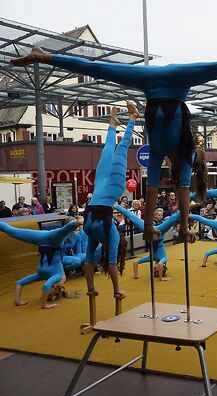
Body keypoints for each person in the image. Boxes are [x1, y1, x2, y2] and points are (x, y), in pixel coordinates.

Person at [12, 42, 217, 245]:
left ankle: (44, 56)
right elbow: (173, 195)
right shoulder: (186, 153)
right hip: (172, 84)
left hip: (156, 84)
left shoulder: (167, 156)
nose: (172, 168)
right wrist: (175, 225)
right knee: (216, 69)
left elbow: (155, 194)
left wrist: (155, 226)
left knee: (102, 69)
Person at [81, 102, 139, 301]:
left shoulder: (111, 235)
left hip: (101, 199)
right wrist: (116, 291)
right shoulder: (108, 237)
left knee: (113, 151)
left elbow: (91, 261)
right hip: (91, 217)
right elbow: (112, 264)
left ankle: (121, 122)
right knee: (114, 152)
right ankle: (128, 120)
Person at [0, 218, 80, 308]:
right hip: (53, 241)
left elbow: (19, 283)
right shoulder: (57, 276)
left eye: (47, 295)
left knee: (11, 231)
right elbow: (46, 286)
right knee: (63, 231)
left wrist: (18, 301)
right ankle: (78, 221)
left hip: (41, 239)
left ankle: (78, 222)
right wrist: (44, 305)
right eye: (51, 294)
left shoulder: (40, 275)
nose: (48, 293)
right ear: (56, 288)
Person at [115, 205, 180, 281]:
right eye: (157, 271)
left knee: (133, 217)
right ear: (163, 268)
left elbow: (135, 263)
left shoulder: (155, 258)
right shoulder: (163, 258)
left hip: (151, 230)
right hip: (159, 231)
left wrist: (136, 276)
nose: (155, 269)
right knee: (171, 220)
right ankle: (117, 206)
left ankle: (117, 206)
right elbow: (159, 264)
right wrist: (161, 278)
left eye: (154, 271)